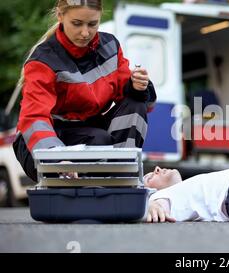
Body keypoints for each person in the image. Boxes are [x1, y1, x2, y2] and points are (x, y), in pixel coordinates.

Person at [13, 0, 156, 182]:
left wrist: (139, 86)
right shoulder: (42, 60)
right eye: (77, 24)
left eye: (92, 24)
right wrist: (57, 159)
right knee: (99, 142)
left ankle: (123, 176)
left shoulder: (110, 46)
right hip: (40, 142)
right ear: (60, 15)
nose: (85, 33)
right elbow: (34, 118)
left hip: (89, 130)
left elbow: (147, 105)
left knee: (135, 102)